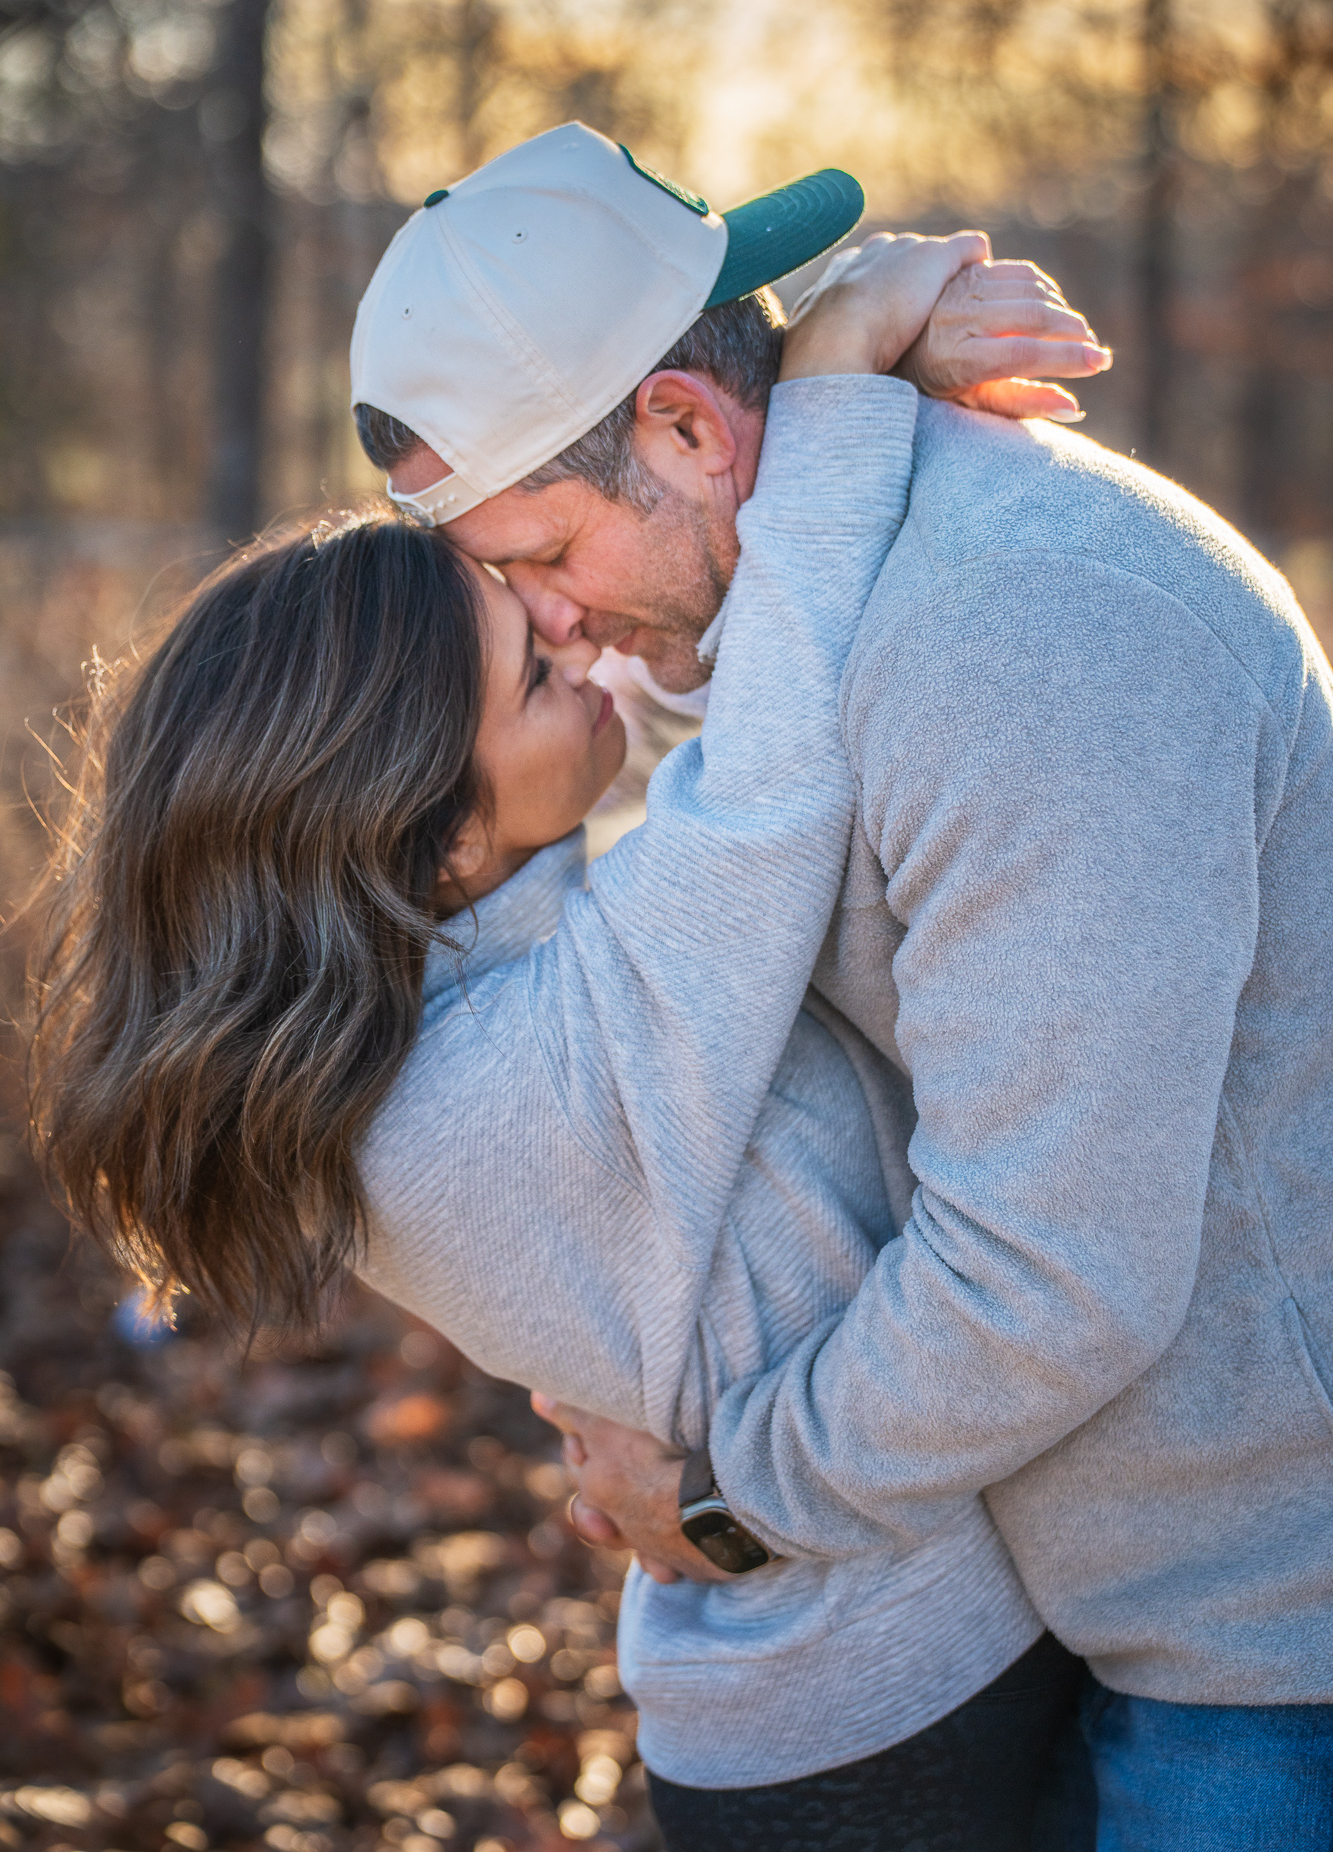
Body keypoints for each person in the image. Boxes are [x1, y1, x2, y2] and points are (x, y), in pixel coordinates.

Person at [28, 241, 1098, 1851]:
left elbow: (706, 713)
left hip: (881, 1665)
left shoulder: (462, 985)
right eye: (538, 667)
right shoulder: (494, 1090)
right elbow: (770, 771)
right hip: (882, 1727)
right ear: (436, 839)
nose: (587, 647)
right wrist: (831, 393)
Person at [346, 122, 1333, 1849]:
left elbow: (1053, 1276)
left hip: (1256, 1647)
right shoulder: (808, 594)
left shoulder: (1021, 642)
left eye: (541, 561)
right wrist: (841, 372)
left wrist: (727, 1492)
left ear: (684, 427)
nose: (549, 633)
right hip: (1089, 1599)